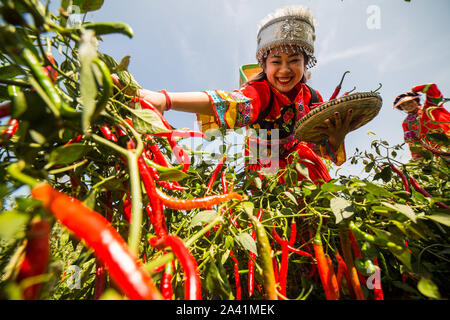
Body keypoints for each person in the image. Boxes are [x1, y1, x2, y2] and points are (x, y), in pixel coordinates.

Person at [115, 5, 357, 185]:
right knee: (273, 212)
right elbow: (230, 102)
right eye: (276, 62)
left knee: (306, 160)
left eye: (294, 60)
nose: (284, 70)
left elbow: (324, 151)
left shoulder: (312, 99)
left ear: (306, 64)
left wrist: (336, 138)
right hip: (266, 169)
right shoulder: (261, 92)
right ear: (264, 65)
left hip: (302, 174)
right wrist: (164, 100)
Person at [393, 83, 450, 160]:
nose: (408, 106)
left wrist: (415, 89)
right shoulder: (406, 123)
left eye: (410, 102)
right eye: (404, 105)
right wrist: (418, 157)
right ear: (402, 108)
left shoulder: (429, 107)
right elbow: (412, 141)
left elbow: (431, 87)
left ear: (416, 100)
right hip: (436, 152)